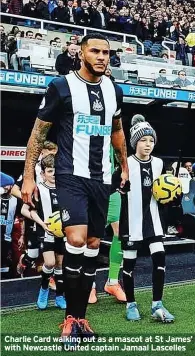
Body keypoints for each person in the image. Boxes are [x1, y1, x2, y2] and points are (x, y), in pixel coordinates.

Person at [21, 33, 129, 342]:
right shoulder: (61, 87)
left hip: (102, 179)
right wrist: (28, 176)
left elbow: (117, 131)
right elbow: (38, 134)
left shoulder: (114, 90)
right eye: (95, 51)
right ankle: (69, 319)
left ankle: (81, 319)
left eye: (106, 52)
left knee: (93, 245)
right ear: (81, 54)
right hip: (71, 176)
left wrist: (123, 165)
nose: (101, 56)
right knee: (77, 239)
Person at [118, 114, 174, 323]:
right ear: (134, 143)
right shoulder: (126, 165)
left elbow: (165, 192)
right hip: (131, 222)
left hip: (154, 221)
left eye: (151, 140)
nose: (148, 144)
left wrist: (172, 197)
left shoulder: (159, 164)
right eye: (143, 140)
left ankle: (157, 305)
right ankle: (131, 304)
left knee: (160, 259)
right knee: (129, 265)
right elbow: (117, 191)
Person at [21, 154, 66, 309]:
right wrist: (42, 223)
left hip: (62, 233)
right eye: (49, 171)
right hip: (45, 231)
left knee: (60, 264)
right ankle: (44, 289)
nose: (53, 174)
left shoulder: (65, 188)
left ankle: (60, 296)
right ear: (43, 174)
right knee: (50, 262)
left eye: (55, 171)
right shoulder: (38, 189)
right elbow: (25, 210)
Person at [89, 146, 126, 304]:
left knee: (121, 233)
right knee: (90, 238)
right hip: (91, 189)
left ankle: (112, 282)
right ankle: (89, 285)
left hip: (111, 189)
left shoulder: (115, 132)